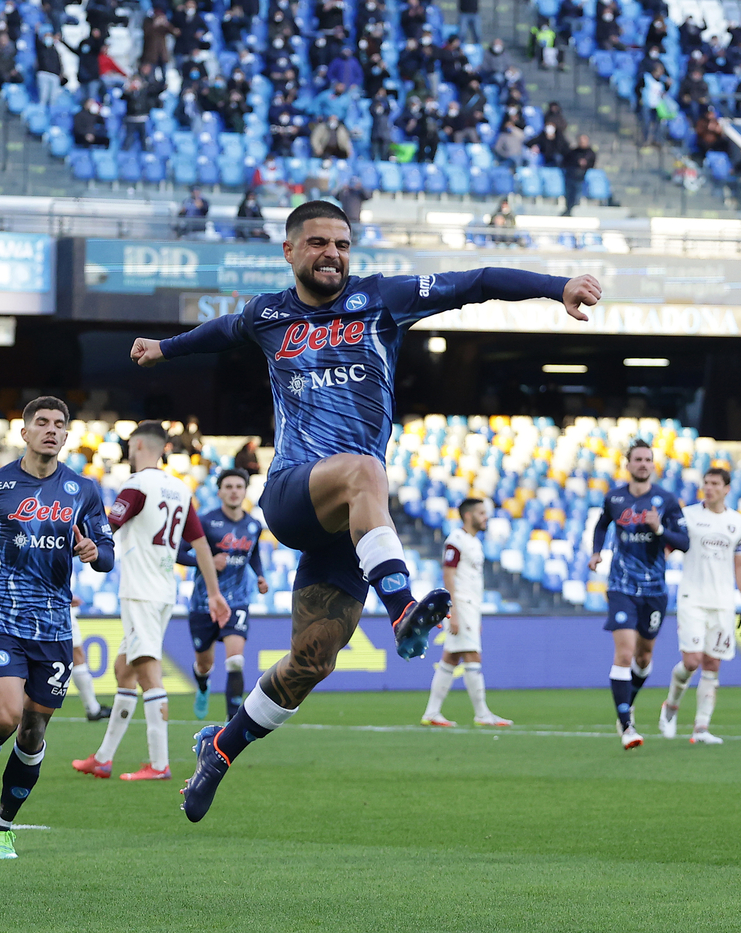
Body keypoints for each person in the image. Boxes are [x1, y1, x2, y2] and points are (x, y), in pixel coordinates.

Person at [129, 200, 603, 821]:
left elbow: (480, 282)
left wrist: (556, 287)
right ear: (291, 251)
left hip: (349, 521)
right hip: (294, 493)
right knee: (366, 468)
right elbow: (220, 333)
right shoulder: (268, 314)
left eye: (343, 245)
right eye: (320, 243)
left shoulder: (383, 299)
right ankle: (402, 605)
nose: (333, 255)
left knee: (312, 660)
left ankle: (222, 746)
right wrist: (164, 349)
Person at [0, 396, 116, 859]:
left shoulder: (83, 490)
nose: (50, 429)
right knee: (6, 717)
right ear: (24, 433)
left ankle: (2, 826)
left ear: (67, 435)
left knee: (32, 732)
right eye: (41, 422)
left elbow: (105, 552)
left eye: (59, 424)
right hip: (1, 617)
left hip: (54, 628)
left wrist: (94, 555)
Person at [73, 422, 229, 781]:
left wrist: (86, 544)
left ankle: (159, 763)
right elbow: (201, 545)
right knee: (124, 670)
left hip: (139, 591)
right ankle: (103, 758)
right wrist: (215, 592)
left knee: (147, 672)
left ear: (139, 444)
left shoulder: (137, 484)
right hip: (162, 591)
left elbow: (108, 526)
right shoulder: (179, 488)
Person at [587, 441, 690, 749]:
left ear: (653, 465)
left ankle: (626, 703)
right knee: (624, 652)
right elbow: (601, 525)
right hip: (621, 586)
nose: (643, 464)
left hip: (654, 590)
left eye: (648, 459)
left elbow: (684, 542)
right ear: (627, 464)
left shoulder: (666, 500)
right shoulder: (614, 497)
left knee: (644, 658)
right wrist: (596, 553)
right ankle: (626, 725)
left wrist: (659, 530)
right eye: (638, 459)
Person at [659, 468, 741, 744]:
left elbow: (740, 564)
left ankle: (701, 727)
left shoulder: (739, 524)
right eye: (705, 483)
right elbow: (668, 548)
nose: (708, 488)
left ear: (726, 489)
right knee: (692, 660)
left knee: (712, 663)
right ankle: (671, 706)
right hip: (692, 598)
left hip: (722, 602)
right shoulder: (687, 517)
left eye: (714, 484)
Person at [178, 468, 266, 721]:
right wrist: (204, 562)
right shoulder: (205, 522)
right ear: (219, 492)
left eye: (239, 486)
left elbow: (254, 555)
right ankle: (203, 687)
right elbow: (179, 553)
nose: (234, 491)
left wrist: (259, 576)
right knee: (204, 665)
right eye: (228, 487)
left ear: (245, 491)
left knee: (236, 661)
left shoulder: (253, 525)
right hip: (203, 602)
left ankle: (231, 722)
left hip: (237, 600)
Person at [421, 498, 512, 727]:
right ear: (469, 516)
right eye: (482, 513)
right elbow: (448, 575)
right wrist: (454, 611)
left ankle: (432, 713)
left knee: (451, 658)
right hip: (461, 604)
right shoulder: (456, 540)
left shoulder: (473, 542)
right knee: (472, 655)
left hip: (471, 607)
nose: (486, 517)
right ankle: (482, 714)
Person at [561, 133, 596, 215]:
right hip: (570, 176)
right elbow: (566, 162)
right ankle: (568, 209)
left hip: (581, 178)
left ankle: (573, 209)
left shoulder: (590, 153)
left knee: (577, 194)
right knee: (569, 194)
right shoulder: (573, 152)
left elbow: (591, 164)